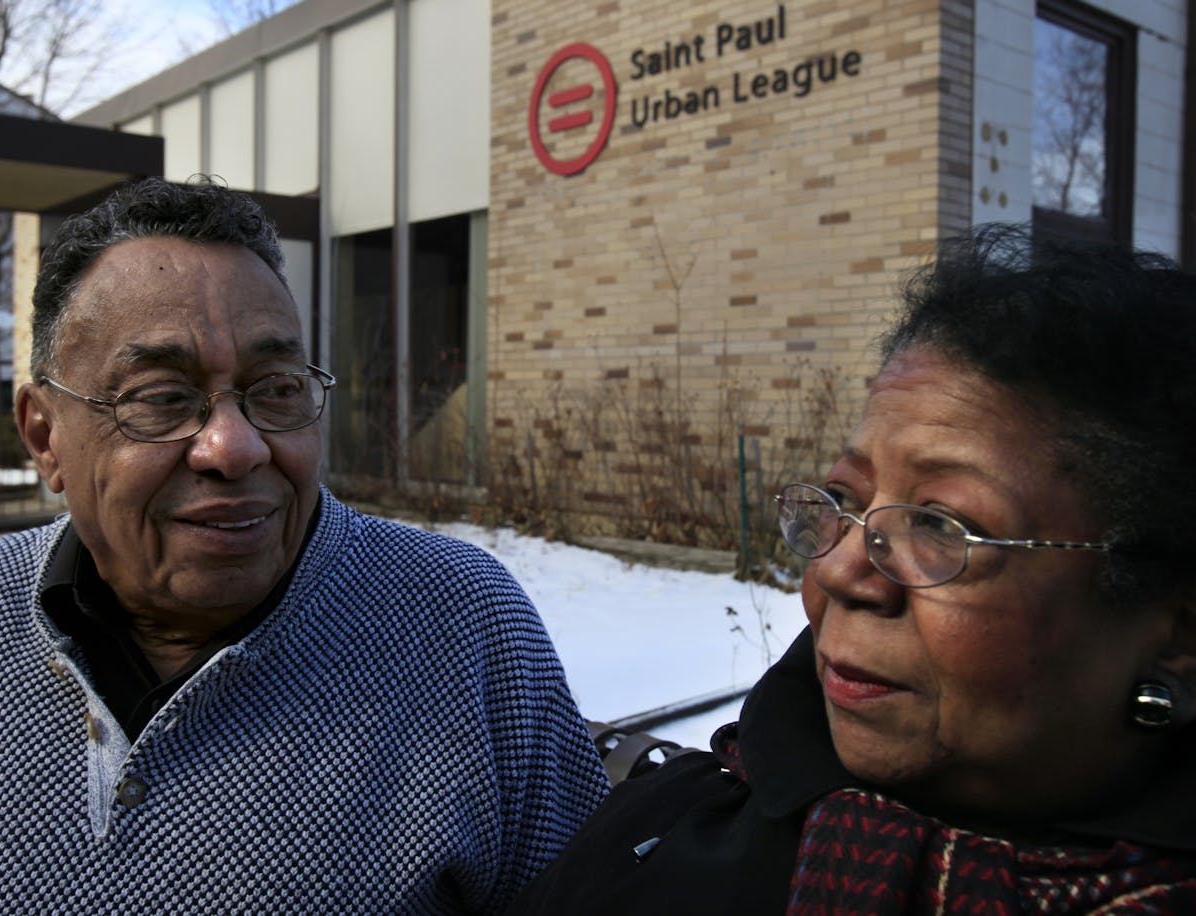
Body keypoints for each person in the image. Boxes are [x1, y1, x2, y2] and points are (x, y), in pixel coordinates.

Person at [0, 176, 609, 914]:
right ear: (44, 436)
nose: (233, 447)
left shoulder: (463, 628)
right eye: (162, 397)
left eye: (275, 389)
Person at [508, 223, 1196, 913]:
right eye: (845, 500)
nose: (838, 571)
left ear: (1178, 629)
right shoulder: (663, 831)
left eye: (940, 524)